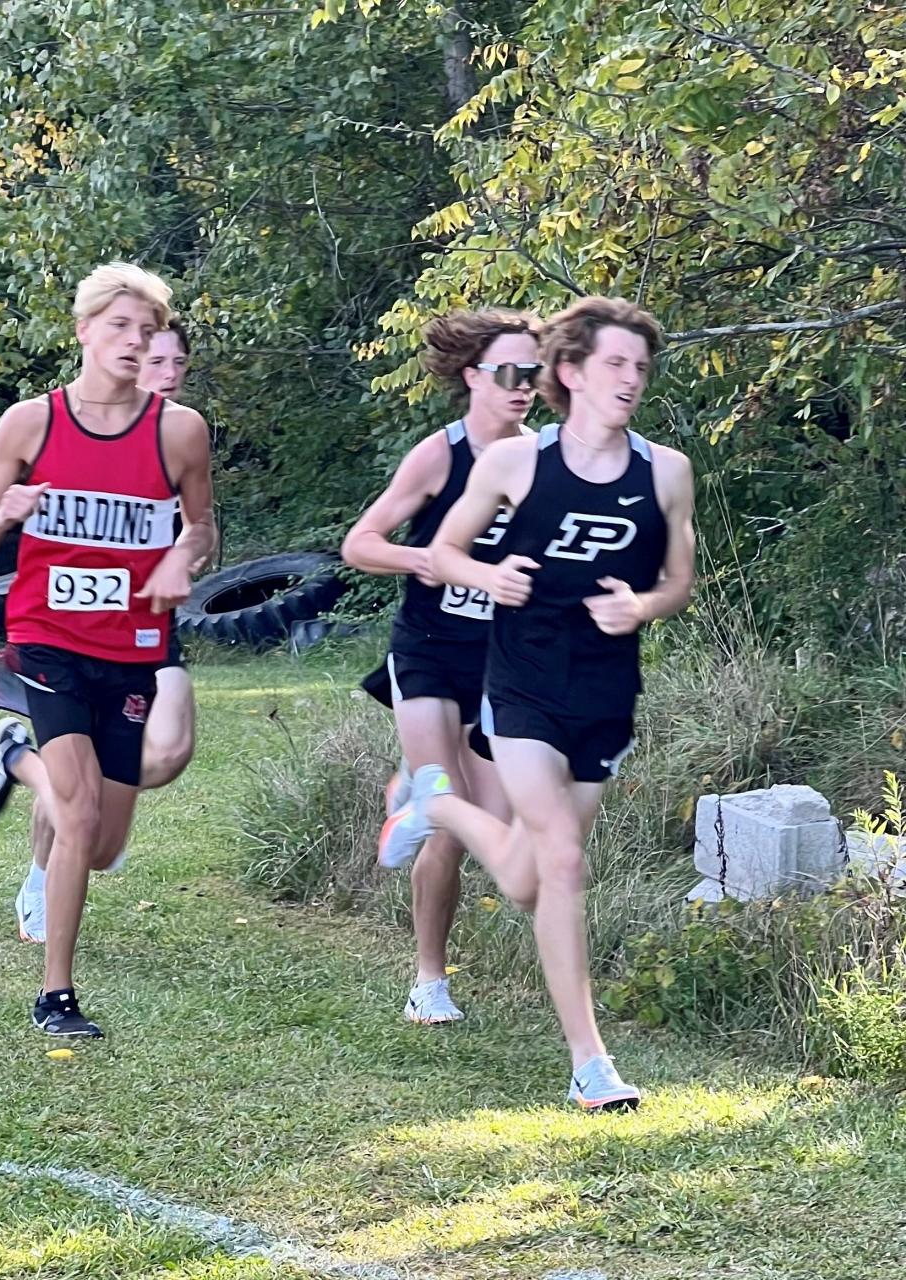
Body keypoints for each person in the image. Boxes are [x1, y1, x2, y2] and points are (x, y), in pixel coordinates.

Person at [379, 296, 695, 1108]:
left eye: (641, 366)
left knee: (529, 879)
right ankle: (592, 1065)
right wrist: (486, 576)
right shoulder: (515, 466)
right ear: (572, 373)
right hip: (518, 686)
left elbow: (680, 582)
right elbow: (445, 549)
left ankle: (438, 809)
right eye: (616, 364)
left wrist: (644, 608)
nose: (632, 379)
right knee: (560, 859)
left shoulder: (666, 472)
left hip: (605, 692)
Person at [0, 263, 216, 1037]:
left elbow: (202, 526)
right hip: (46, 639)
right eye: (120, 328)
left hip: (133, 647)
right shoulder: (29, 424)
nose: (135, 343)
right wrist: (1, 513)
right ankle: (55, 995)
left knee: (101, 846)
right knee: (75, 813)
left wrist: (184, 557)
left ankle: (13, 758)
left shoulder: (180, 431)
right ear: (84, 331)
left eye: (146, 331)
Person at [342, 308, 542, 1025]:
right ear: (472, 377)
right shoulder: (439, 455)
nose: (524, 387)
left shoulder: (544, 458)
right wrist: (420, 557)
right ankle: (429, 982)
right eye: (510, 374)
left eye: (535, 374)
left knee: (493, 823)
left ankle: (413, 792)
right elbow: (358, 542)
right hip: (428, 651)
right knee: (450, 821)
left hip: (502, 662)